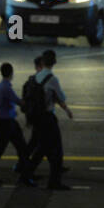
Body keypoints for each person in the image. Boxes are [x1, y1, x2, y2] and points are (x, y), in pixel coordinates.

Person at [25, 50, 73, 191]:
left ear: (42, 62)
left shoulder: (34, 78)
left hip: (36, 118)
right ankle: (54, 181)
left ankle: (26, 173)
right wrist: (66, 108)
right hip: (47, 118)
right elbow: (61, 97)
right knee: (57, 150)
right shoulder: (52, 79)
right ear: (54, 62)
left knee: (42, 148)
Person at [0, 63, 35, 186]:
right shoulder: (7, 88)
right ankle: (25, 176)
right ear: (11, 73)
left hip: (4, 121)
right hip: (9, 122)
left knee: (2, 149)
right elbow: (18, 101)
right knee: (20, 148)